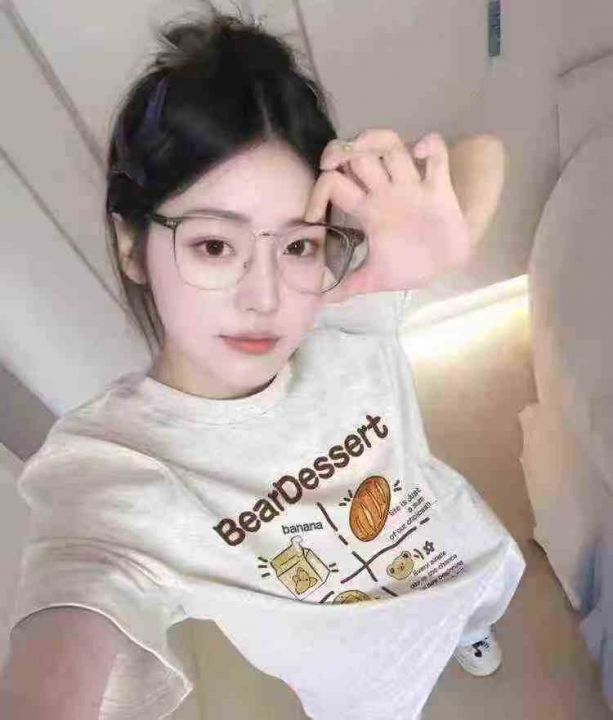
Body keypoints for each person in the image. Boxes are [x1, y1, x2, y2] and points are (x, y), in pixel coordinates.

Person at [0, 6, 524, 720]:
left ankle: (469, 630)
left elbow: (483, 153)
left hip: (459, 563)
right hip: (360, 687)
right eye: (215, 246)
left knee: (475, 611)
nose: (267, 298)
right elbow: (74, 591)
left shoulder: (340, 304)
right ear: (132, 247)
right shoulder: (118, 466)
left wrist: (435, 246)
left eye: (298, 244)